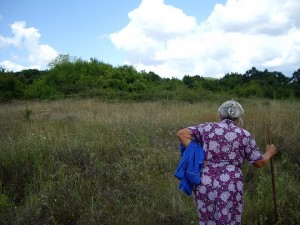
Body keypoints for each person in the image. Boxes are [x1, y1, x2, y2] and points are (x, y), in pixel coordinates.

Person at [177, 100, 277, 225]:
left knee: (207, 219)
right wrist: (270, 152)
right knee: (230, 219)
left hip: (205, 182)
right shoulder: (245, 135)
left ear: (220, 115)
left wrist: (199, 157)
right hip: (231, 183)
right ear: (238, 117)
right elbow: (259, 163)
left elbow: (182, 134)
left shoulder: (207, 128)